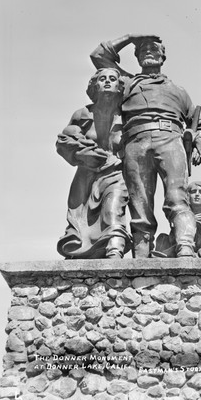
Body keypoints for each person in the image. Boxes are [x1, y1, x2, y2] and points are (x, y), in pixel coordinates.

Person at [90, 34, 201, 258]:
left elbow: (200, 123)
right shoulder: (127, 83)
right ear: (136, 57)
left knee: (177, 198)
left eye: (154, 49)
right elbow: (98, 55)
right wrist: (132, 37)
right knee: (140, 204)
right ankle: (141, 255)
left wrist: (200, 139)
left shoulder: (179, 91)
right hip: (136, 142)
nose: (148, 52)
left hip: (171, 140)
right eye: (143, 50)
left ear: (163, 56)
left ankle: (185, 247)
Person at [56, 68, 131, 259]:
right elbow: (63, 141)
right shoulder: (82, 114)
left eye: (112, 79)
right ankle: (80, 253)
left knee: (113, 209)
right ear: (94, 86)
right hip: (86, 174)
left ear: (120, 86)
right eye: (102, 79)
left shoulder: (128, 116)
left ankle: (115, 250)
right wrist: (82, 153)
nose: (107, 82)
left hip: (116, 173)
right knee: (79, 219)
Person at [154, 181, 201, 258]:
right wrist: (190, 222)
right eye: (193, 192)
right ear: (187, 196)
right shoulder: (182, 216)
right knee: (162, 238)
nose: (197, 194)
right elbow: (174, 237)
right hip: (181, 249)